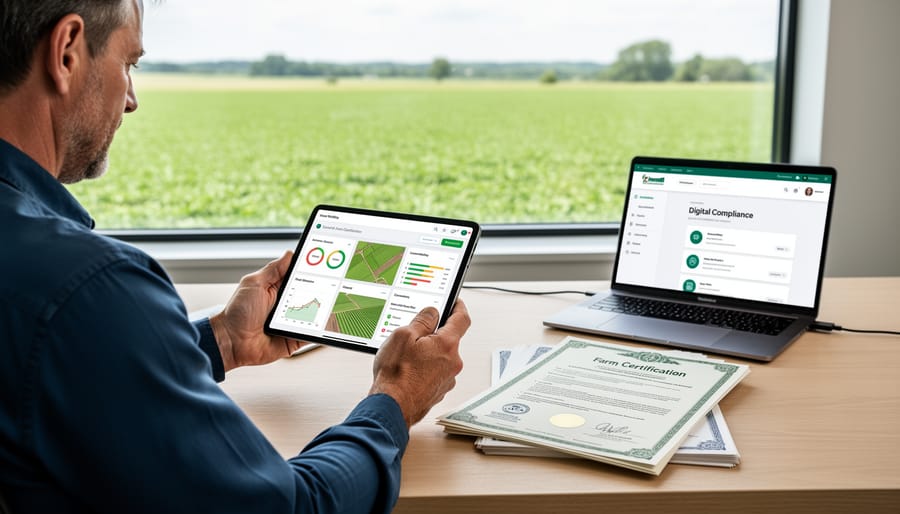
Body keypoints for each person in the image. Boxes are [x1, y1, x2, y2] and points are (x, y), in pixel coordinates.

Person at [0, 1, 469, 512]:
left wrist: (222, 338)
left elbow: (62, 375)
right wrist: (396, 398)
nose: (131, 99)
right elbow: (295, 507)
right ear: (67, 52)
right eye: (128, 63)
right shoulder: (86, 288)